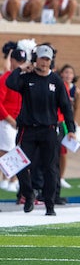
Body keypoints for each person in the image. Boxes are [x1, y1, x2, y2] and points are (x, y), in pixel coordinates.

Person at [6, 43, 76, 216]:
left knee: (50, 168)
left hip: (49, 130)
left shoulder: (56, 81)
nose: (44, 62)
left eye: (47, 59)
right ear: (35, 59)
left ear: (51, 61)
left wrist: (71, 129)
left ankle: (50, 204)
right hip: (27, 129)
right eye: (41, 59)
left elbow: (66, 107)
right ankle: (28, 194)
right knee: (19, 164)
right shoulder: (27, 77)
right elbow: (10, 83)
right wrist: (22, 68)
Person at [0, 46, 26, 193]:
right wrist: (10, 120)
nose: (21, 64)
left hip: (18, 120)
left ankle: (11, 179)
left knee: (16, 149)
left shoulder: (23, 78)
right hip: (6, 120)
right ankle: (9, 179)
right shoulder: (6, 78)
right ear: (12, 61)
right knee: (8, 149)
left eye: (23, 61)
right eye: (18, 61)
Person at [58, 63, 80, 189]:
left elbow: (75, 108)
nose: (68, 75)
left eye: (70, 73)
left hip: (66, 122)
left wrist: (73, 124)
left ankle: (61, 177)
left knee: (63, 151)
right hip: (59, 120)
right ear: (61, 74)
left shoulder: (75, 90)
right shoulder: (59, 85)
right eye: (66, 72)